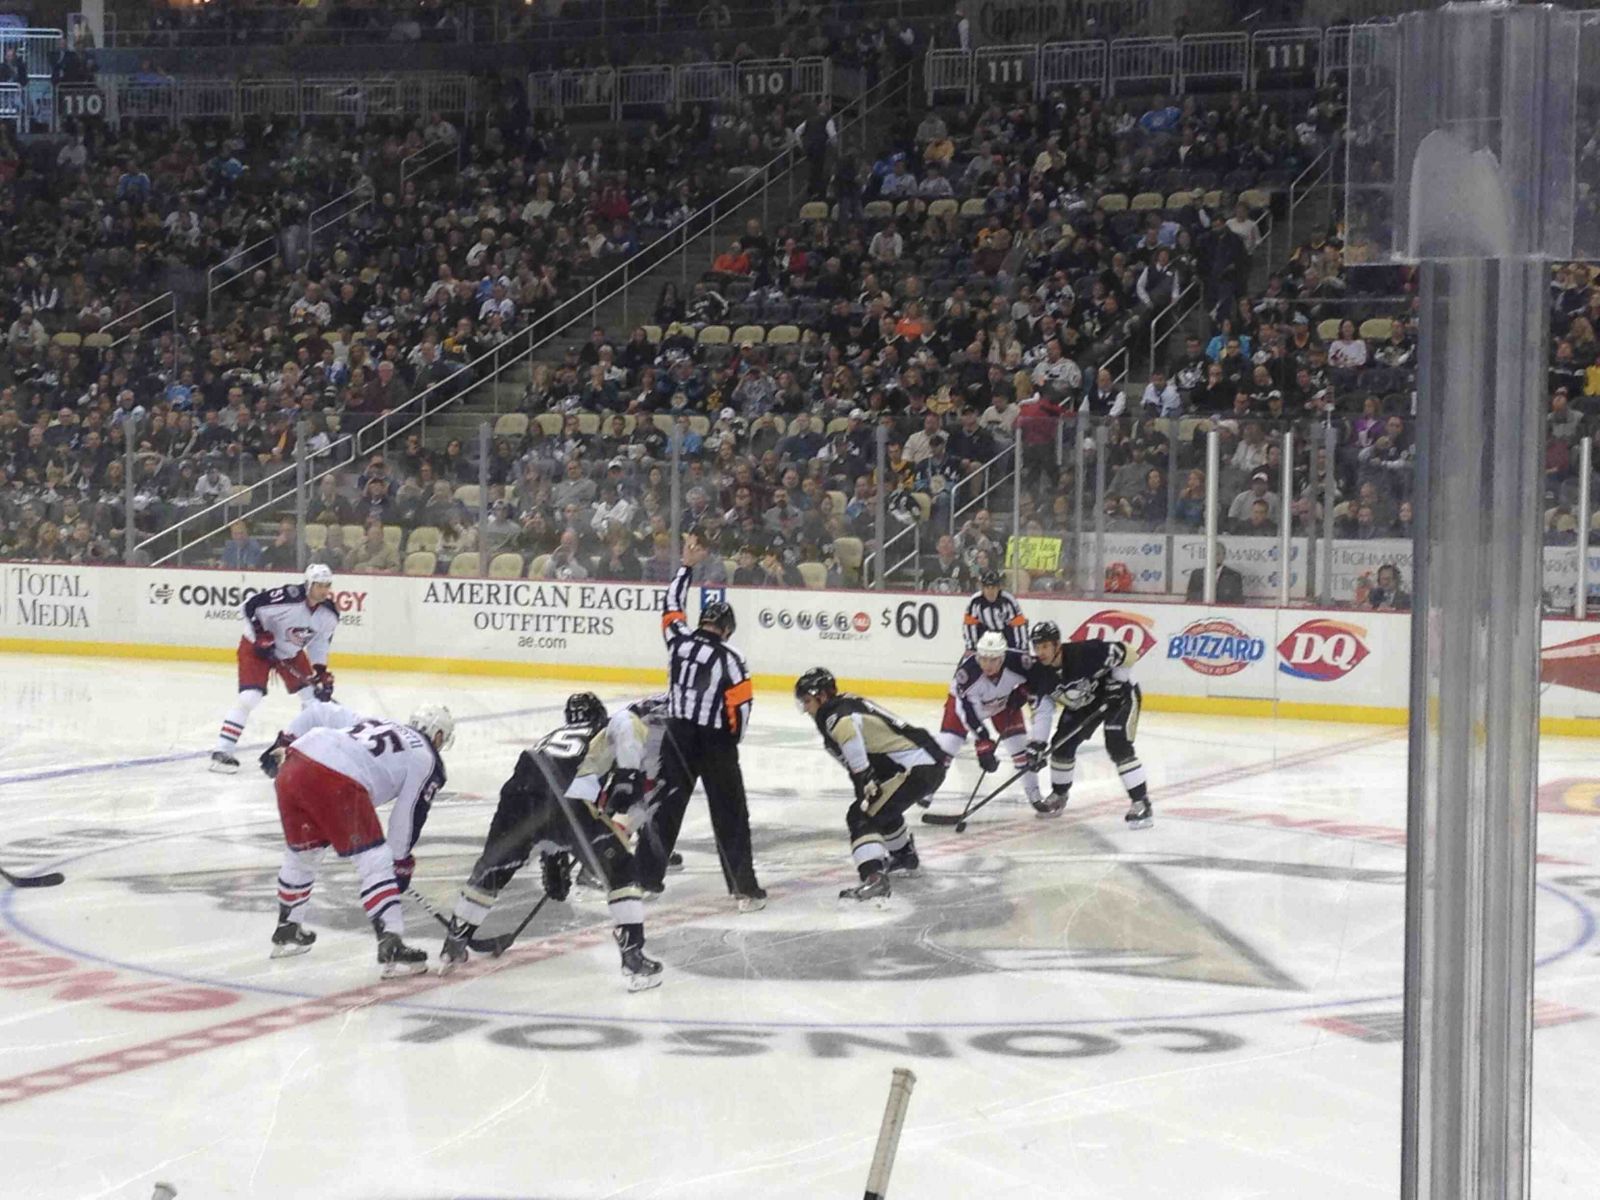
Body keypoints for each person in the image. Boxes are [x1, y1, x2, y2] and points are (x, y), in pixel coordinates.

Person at [437, 693, 663, 991]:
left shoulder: (550, 737)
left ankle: (454, 943)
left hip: (517, 797)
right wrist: (627, 778)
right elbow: (621, 730)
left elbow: (544, 801)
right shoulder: (607, 727)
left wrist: (553, 853)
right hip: (567, 797)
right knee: (621, 870)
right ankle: (633, 956)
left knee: (491, 870)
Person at [268, 704, 454, 978]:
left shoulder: (379, 720)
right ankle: (391, 941)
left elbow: (322, 710)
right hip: (336, 775)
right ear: (438, 735)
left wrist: (285, 738)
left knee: (303, 854)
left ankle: (287, 928)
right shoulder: (426, 758)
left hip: (296, 759)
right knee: (375, 859)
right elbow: (407, 816)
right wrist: (400, 862)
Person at [634, 532, 765, 910]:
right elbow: (740, 709)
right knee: (730, 814)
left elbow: (671, 606)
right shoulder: (732, 658)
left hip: (677, 736)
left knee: (665, 807)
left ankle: (645, 880)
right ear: (725, 629)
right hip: (715, 740)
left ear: (703, 622)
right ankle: (743, 890)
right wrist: (727, 745)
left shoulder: (678, 641)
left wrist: (685, 568)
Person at [794, 668, 949, 903]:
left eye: (807, 701)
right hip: (923, 765)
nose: (805, 708)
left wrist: (864, 776)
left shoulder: (835, 715)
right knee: (880, 805)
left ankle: (873, 878)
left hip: (917, 768)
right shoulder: (841, 705)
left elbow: (850, 738)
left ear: (822, 696)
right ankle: (904, 855)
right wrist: (866, 782)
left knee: (861, 816)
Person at [211, 564, 339, 773]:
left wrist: (320, 671)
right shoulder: (288, 597)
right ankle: (222, 751)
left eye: (327, 586)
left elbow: (319, 643)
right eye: (319, 585)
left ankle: (309, 752)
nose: (324, 591)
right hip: (256, 649)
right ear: (308, 584)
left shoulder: (329, 614)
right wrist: (261, 634)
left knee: (313, 699)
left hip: (290, 654)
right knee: (249, 697)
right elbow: (249, 606)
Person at [1023, 622, 1152, 828]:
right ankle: (1059, 794)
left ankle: (1141, 802)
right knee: (1061, 746)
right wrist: (1037, 744)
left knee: (1117, 744)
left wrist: (1117, 682)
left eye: (1045, 646)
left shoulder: (1085, 652)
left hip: (1120, 697)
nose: (1041, 652)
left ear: (1057, 645)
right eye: (1037, 647)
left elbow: (1129, 652)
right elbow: (1044, 711)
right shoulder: (1040, 674)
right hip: (1085, 704)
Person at [935, 630, 1043, 808]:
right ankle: (926, 793)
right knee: (945, 750)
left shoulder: (1018, 662)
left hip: (1003, 703)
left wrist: (1024, 691)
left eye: (993, 659)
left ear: (1002, 657)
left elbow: (1040, 675)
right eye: (983, 658)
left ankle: (1035, 796)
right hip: (963, 708)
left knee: (1021, 750)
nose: (987, 664)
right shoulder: (967, 673)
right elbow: (968, 713)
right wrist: (982, 741)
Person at [963, 568, 1029, 652]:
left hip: (1007, 642)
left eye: (993, 587)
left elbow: (1019, 626)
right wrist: (971, 648)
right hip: (984, 643)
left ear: (999, 588)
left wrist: (1022, 650)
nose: (990, 591)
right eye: (987, 587)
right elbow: (969, 626)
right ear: (982, 588)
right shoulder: (975, 602)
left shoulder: (1008, 601)